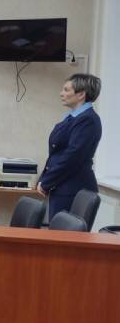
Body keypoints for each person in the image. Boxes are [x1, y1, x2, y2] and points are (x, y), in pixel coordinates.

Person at [37, 73, 102, 221]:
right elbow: (57, 154)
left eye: (66, 90)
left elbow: (72, 156)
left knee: (63, 234)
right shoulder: (73, 118)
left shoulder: (87, 119)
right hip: (63, 186)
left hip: (74, 189)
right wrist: (44, 179)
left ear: (81, 94)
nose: (61, 93)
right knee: (56, 232)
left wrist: (47, 182)